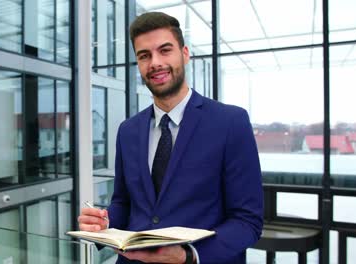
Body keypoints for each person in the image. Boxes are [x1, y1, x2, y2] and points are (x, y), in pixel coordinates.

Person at [78, 12, 263, 264]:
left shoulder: (231, 122)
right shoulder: (127, 130)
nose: (155, 63)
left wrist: (188, 255)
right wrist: (105, 221)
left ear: (184, 54)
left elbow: (247, 221)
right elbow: (123, 201)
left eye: (165, 50)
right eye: (144, 56)